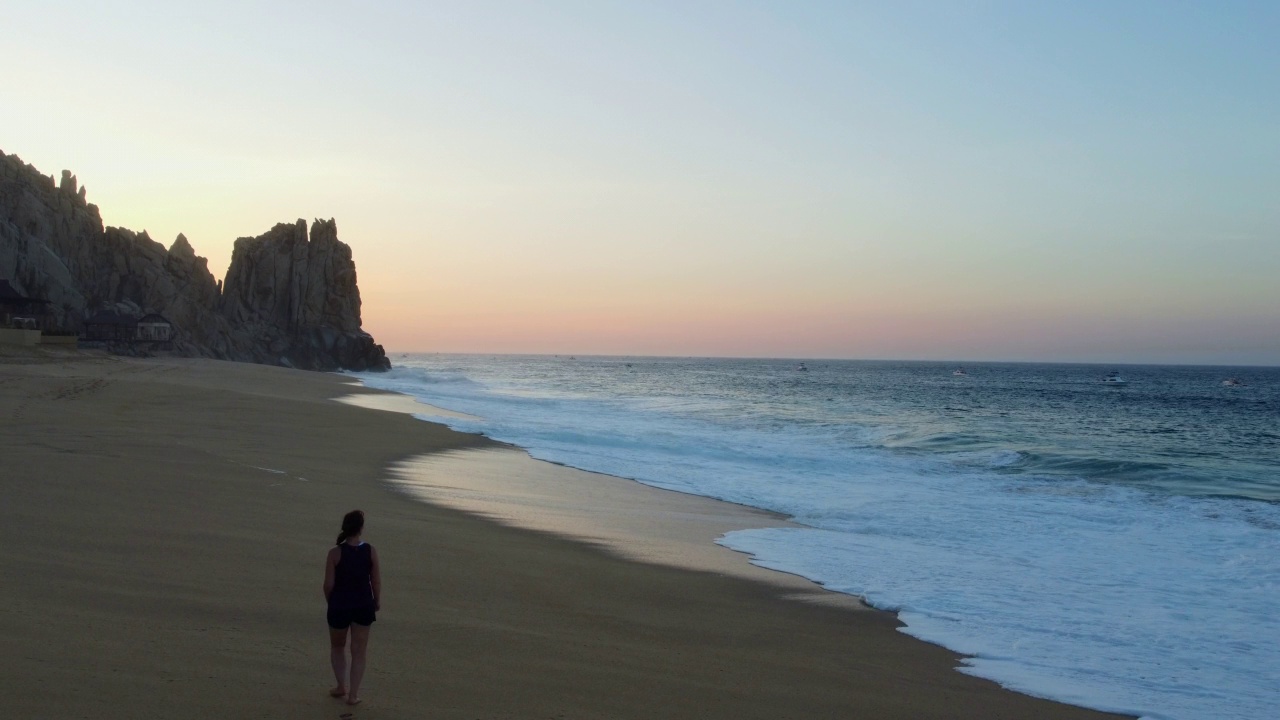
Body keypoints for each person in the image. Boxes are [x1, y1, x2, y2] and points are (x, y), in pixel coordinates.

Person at [323, 510, 381, 705]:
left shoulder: (335, 553)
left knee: (338, 646)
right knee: (359, 651)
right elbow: (375, 581)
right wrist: (377, 600)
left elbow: (328, 585)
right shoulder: (370, 550)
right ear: (360, 528)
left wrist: (330, 601)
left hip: (340, 604)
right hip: (363, 604)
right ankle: (353, 694)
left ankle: (341, 686)